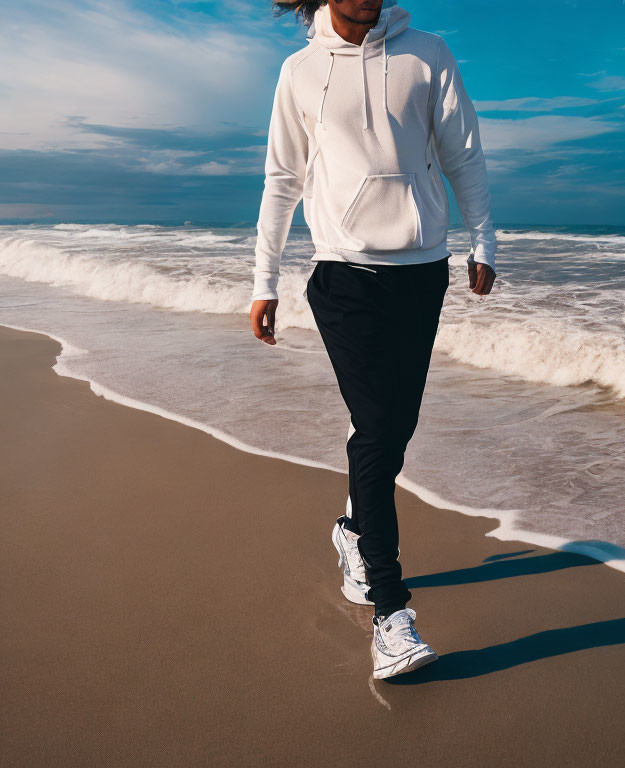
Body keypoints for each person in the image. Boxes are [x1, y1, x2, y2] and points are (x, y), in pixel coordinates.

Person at [249, 0, 497, 679]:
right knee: (378, 426)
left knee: (395, 428)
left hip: (422, 273)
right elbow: (282, 180)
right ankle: (392, 616)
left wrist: (483, 240)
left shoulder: (427, 54)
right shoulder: (300, 72)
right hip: (345, 275)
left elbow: (462, 153)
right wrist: (262, 281)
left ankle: (355, 531)